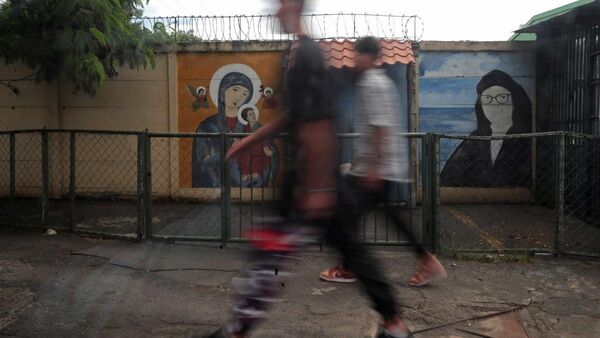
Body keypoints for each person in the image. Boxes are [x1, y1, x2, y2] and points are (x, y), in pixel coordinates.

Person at [319, 38, 447, 290]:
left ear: (370, 57)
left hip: (374, 170)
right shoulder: (380, 82)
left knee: (345, 214)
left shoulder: (371, 83)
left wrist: (375, 168)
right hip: (375, 167)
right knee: (384, 218)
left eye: (359, 56)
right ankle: (425, 260)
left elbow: (380, 127)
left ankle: (349, 267)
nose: (355, 60)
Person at [440, 69, 532, 187]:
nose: (494, 105)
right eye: (487, 98)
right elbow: (448, 176)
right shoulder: (475, 138)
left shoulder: (527, 137)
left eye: (502, 98)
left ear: (515, 100)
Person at [236, 106, 276, 187]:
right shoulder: (244, 128)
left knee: (257, 166)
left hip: (259, 151)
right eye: (250, 114)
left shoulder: (260, 127)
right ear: (246, 118)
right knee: (243, 156)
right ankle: (247, 177)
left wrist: (267, 147)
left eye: (253, 113)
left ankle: (253, 178)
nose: (253, 115)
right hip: (247, 152)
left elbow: (267, 139)